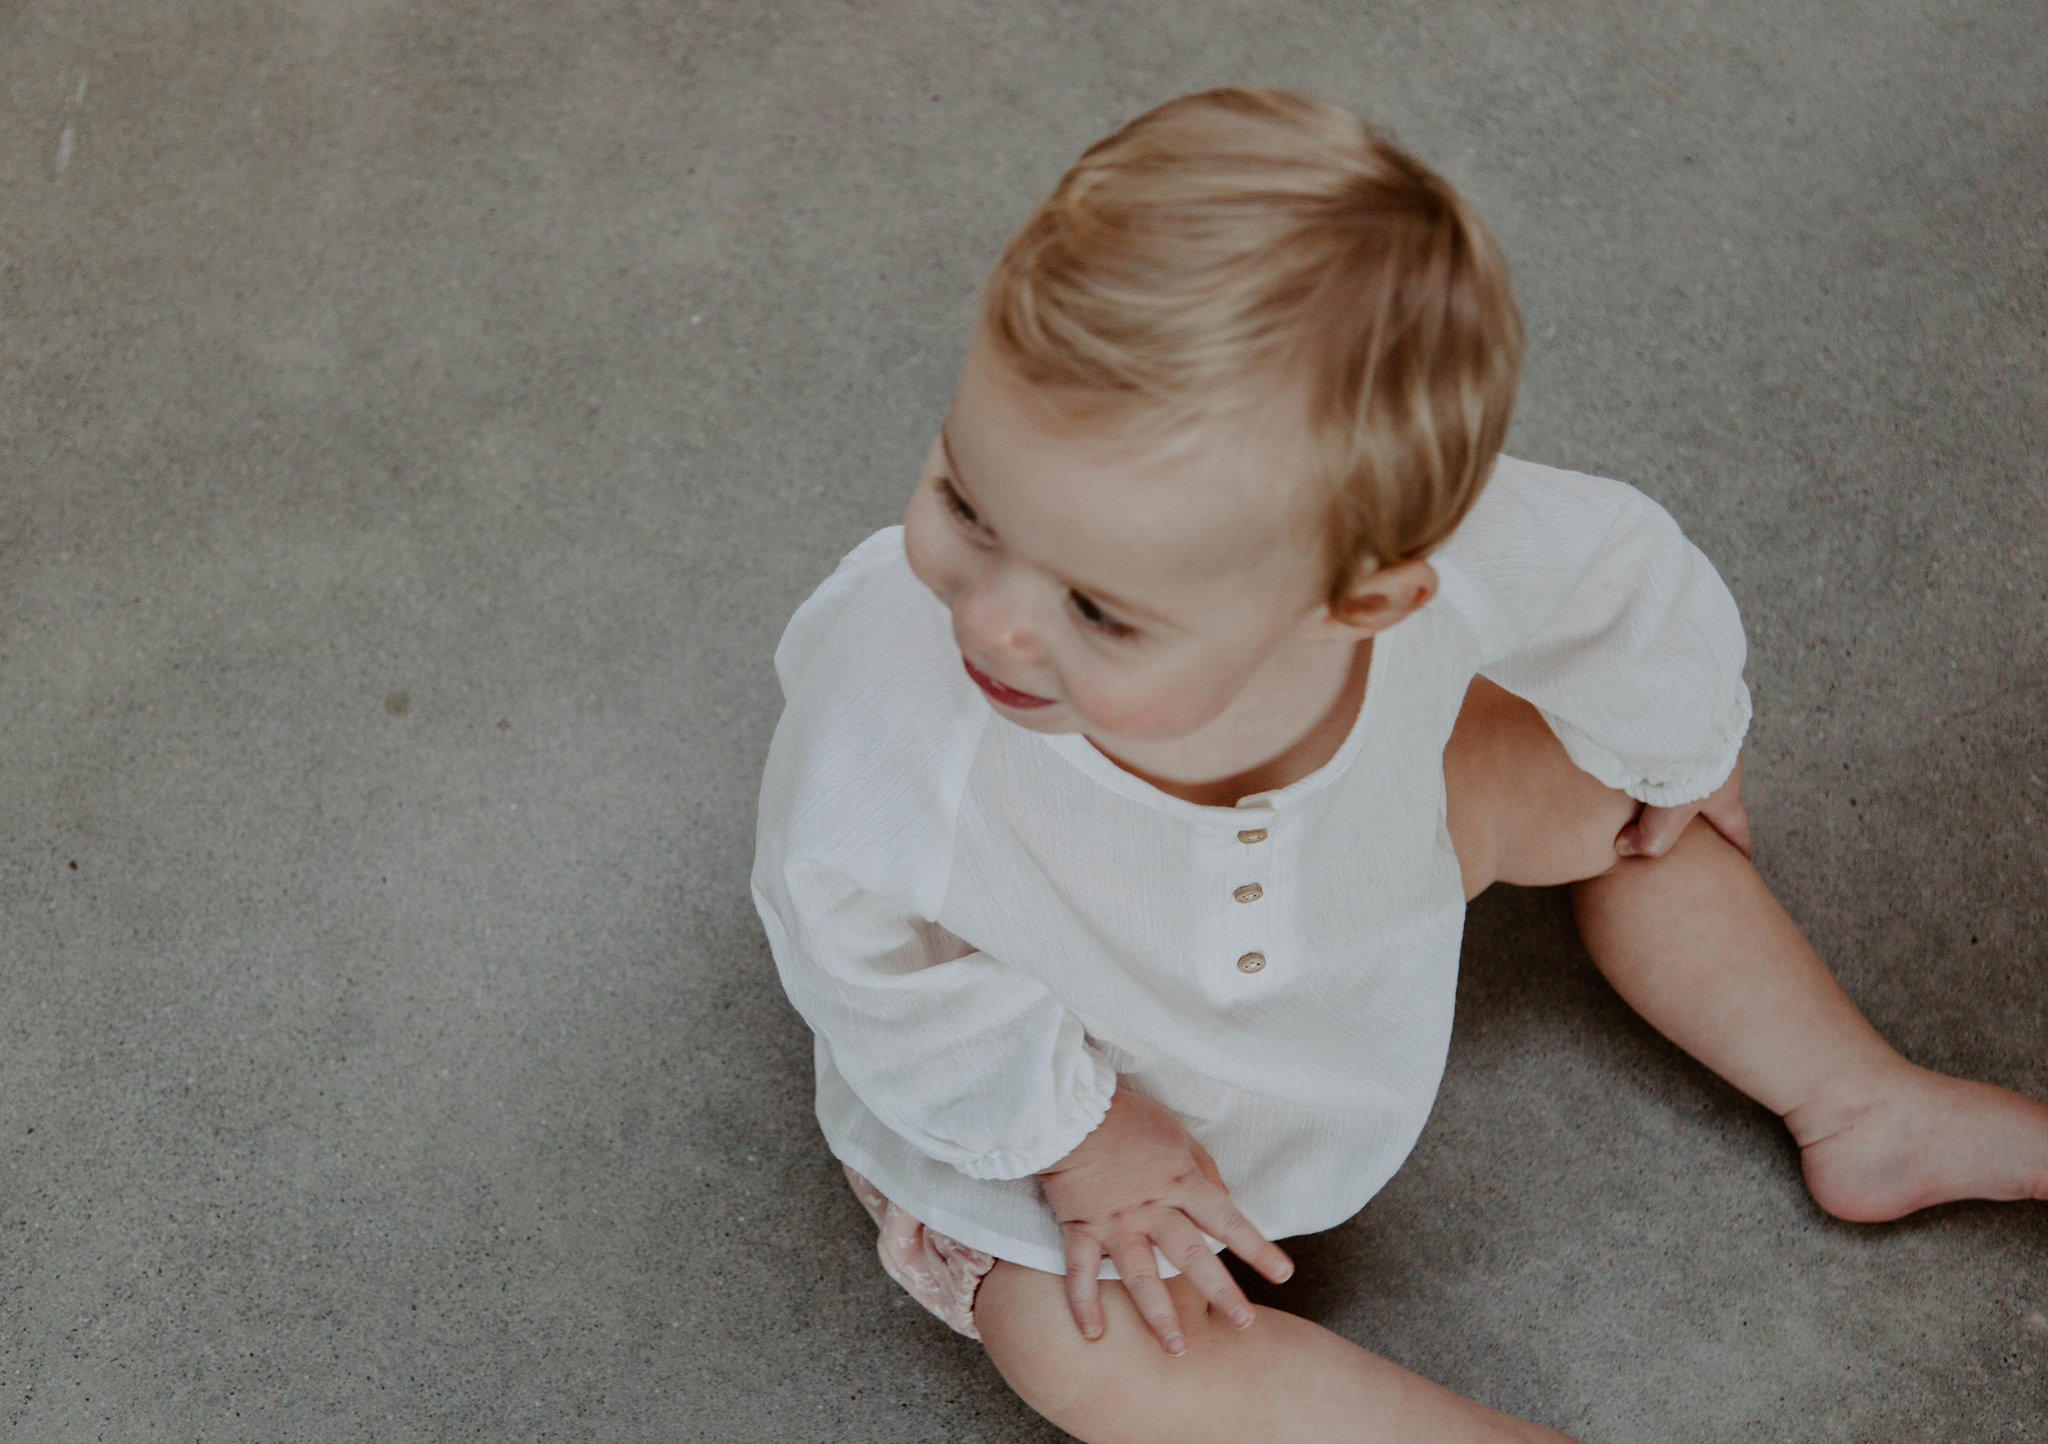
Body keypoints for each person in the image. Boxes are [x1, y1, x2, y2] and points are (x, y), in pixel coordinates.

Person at [751, 87, 2048, 1442]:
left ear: (1361, 600)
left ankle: (1861, 1102)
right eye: (968, 501)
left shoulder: (1435, 563)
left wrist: (1679, 744)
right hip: (1057, 1061)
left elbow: (1617, 577)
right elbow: (859, 954)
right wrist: (1077, 1138)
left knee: (1634, 808)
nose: (990, 619)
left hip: (1362, 875)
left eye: (1097, 609)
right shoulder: (901, 718)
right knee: (1088, 1346)